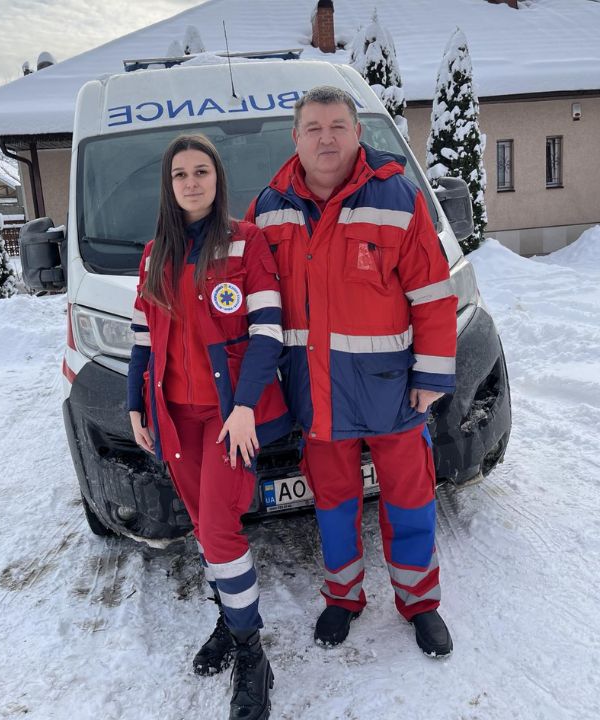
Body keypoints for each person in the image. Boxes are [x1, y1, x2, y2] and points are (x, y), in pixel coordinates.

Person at [245, 85, 457, 657]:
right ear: (296, 138)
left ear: (358, 133)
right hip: (316, 396)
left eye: (338, 125)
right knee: (334, 503)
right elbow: (246, 299)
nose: (326, 137)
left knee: (409, 500)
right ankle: (343, 597)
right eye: (313, 127)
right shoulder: (268, 209)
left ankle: (420, 603)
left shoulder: (398, 198)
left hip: (394, 394)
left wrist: (430, 378)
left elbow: (434, 296)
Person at [128, 134, 289, 720]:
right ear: (168, 187)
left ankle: (251, 652)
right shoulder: (154, 255)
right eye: (179, 175)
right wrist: (136, 405)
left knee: (220, 528)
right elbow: (143, 339)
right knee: (203, 527)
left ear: (217, 179)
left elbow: (269, 330)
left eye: (201, 171)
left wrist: (245, 405)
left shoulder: (246, 244)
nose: (191, 182)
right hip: (175, 418)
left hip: (228, 421)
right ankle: (230, 618)